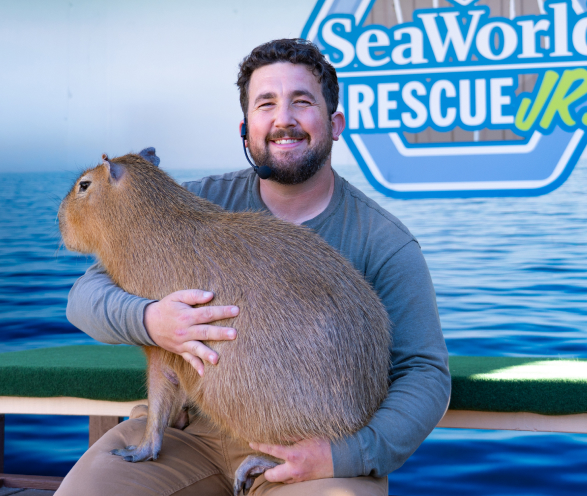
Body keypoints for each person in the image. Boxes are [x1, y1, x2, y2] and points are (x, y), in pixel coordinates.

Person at [55, 39, 450, 496]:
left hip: (304, 448)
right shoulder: (193, 202)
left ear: (335, 123)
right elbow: (84, 299)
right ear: (246, 129)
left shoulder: (382, 239)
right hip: (188, 436)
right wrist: (151, 321)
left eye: (302, 102)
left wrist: (348, 454)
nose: (283, 118)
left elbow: (424, 373)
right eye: (267, 104)